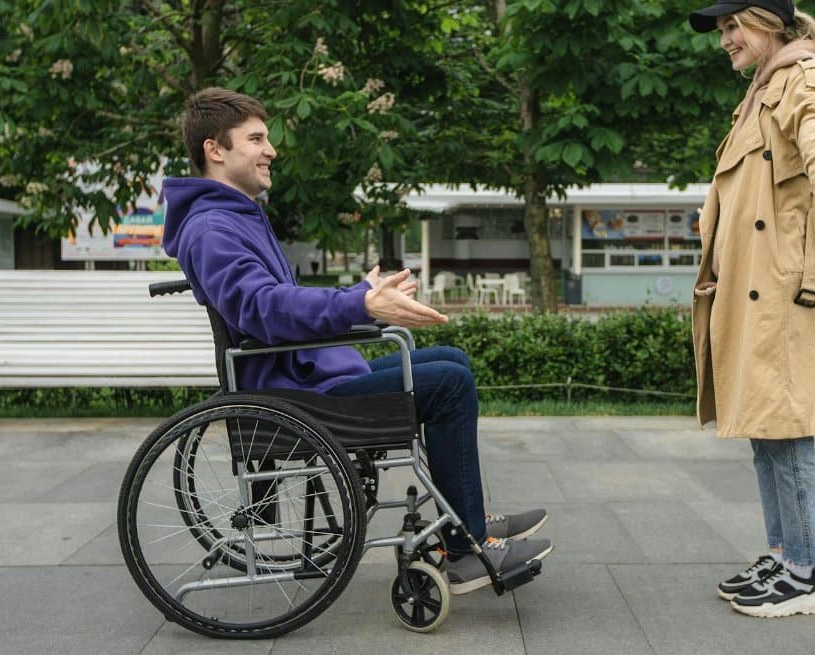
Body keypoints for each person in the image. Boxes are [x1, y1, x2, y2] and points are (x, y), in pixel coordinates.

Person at [161, 87, 552, 595]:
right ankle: (464, 546)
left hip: (301, 380)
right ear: (216, 150)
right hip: (293, 396)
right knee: (450, 384)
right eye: (256, 138)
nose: (270, 149)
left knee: (450, 360)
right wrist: (358, 304)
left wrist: (361, 297)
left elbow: (276, 301)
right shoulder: (214, 227)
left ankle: (465, 521)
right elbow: (262, 309)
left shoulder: (234, 217)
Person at [686, 0, 815, 618]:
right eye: (721, 29)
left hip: (785, 289)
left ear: (767, 22)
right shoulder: (761, 89)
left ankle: (805, 574)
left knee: (787, 429)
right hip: (758, 286)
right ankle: (782, 553)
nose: (724, 39)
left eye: (731, 26)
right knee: (764, 427)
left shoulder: (803, 77)